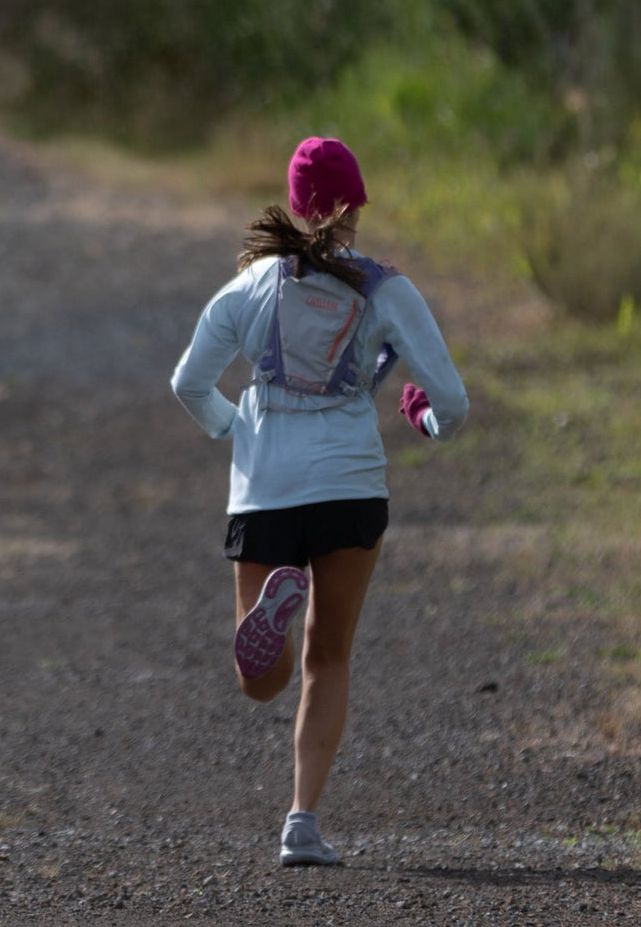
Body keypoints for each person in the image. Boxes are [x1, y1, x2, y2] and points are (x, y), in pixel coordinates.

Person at [170, 136, 469, 867]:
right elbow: (453, 404)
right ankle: (301, 821)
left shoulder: (248, 287)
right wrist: (422, 416)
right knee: (329, 658)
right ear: (357, 205)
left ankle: (272, 610)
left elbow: (187, 383)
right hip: (349, 488)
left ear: (293, 205)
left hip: (264, 490)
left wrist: (234, 425)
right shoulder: (384, 289)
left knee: (259, 682)